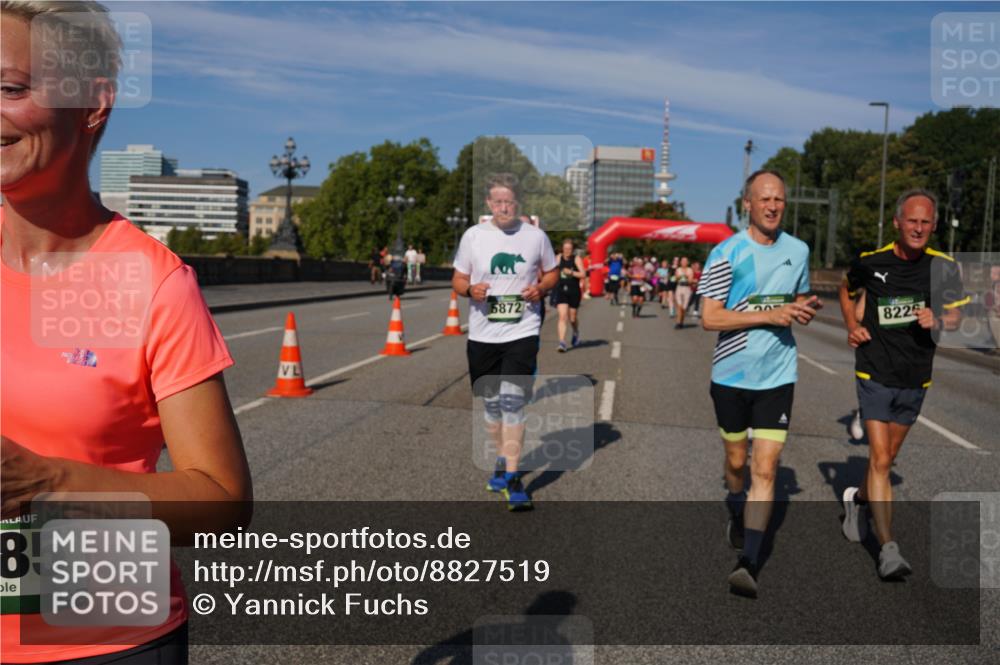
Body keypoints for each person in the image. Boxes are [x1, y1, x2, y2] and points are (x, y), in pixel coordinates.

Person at [0, 3, 252, 662]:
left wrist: (43, 485)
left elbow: (223, 499)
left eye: (10, 89)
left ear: (93, 104)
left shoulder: (154, 282)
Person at [698, 170, 819, 598]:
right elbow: (710, 317)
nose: (772, 206)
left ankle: (748, 560)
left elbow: (796, 298)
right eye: (764, 199)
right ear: (746, 203)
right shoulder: (726, 253)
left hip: (778, 374)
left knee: (765, 467)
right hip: (731, 376)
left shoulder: (798, 250)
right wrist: (766, 315)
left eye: (780, 200)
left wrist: (804, 308)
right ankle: (736, 503)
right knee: (736, 463)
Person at [838, 188, 968, 579]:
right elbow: (846, 290)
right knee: (879, 458)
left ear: (934, 226)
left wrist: (939, 322)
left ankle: (857, 499)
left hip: (916, 376)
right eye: (912, 220)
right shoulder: (871, 261)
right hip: (874, 371)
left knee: (887, 459)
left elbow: (957, 319)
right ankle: (888, 549)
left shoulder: (944, 268)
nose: (918, 227)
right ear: (897, 222)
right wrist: (853, 326)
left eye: (926, 221)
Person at [452, 174, 558, 511]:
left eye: (508, 202)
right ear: (488, 204)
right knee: (492, 405)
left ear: (518, 203)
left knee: (513, 401)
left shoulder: (536, 238)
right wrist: (470, 290)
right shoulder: (473, 236)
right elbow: (458, 278)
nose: (503, 207)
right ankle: (502, 456)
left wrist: (541, 288)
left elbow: (552, 272)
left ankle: (514, 479)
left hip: (522, 331)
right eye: (497, 201)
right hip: (482, 334)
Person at [554, 239, 585, 352]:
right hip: (561, 290)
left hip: (574, 291)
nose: (567, 251)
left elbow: (583, 274)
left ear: (572, 250)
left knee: (572, 318)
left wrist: (571, 272)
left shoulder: (576, 259)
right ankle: (562, 342)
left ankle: (576, 332)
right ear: (562, 249)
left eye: (569, 249)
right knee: (562, 316)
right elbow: (553, 271)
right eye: (565, 249)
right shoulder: (558, 258)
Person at [673, 256, 695, 329]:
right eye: (682, 261)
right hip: (679, 288)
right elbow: (675, 279)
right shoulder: (678, 269)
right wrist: (679, 277)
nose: (684, 263)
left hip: (687, 288)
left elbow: (690, 281)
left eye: (685, 261)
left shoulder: (690, 270)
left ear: (687, 262)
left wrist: (686, 276)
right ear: (680, 262)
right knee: (679, 306)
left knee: (684, 308)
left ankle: (681, 321)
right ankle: (678, 322)